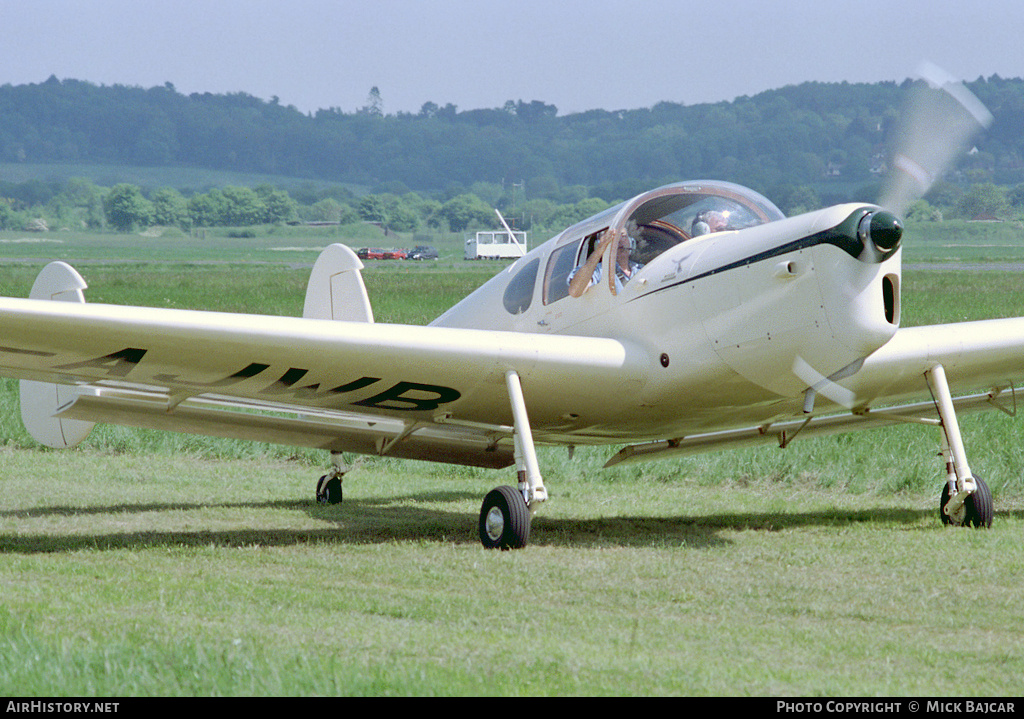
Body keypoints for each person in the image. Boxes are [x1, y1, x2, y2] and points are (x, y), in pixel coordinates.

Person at [567, 228, 643, 297]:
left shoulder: (641, 268)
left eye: (623, 236)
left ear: (631, 241)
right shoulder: (599, 271)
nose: (619, 240)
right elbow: (575, 291)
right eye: (613, 238)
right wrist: (600, 249)